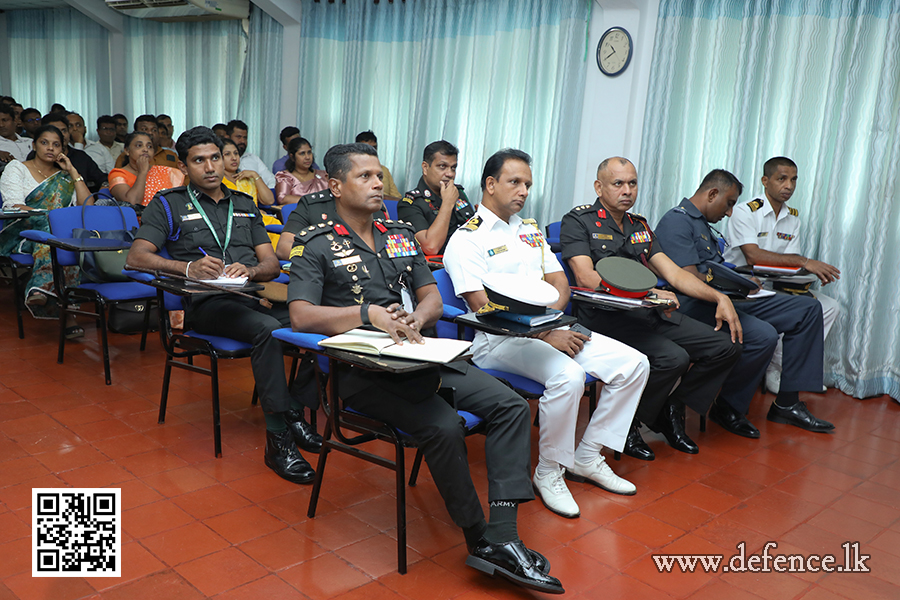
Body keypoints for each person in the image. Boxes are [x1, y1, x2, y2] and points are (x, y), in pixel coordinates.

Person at [287, 142, 563, 594]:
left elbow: (430, 292)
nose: (378, 184)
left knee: (511, 406)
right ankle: (478, 537)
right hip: (362, 371)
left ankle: (504, 536)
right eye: (365, 177)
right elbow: (300, 314)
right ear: (335, 185)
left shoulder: (397, 233)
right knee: (444, 426)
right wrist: (367, 315)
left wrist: (421, 314)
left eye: (380, 176)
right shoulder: (317, 242)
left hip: (418, 352)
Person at [444, 149, 648, 518]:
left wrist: (548, 325)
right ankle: (549, 471)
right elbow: (482, 307)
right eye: (514, 182)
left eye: (527, 185)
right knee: (568, 375)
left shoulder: (528, 230)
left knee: (634, 364)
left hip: (548, 330)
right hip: (497, 341)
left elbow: (559, 284)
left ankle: (587, 456)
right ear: (490, 185)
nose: (523, 191)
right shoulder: (466, 240)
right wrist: (540, 335)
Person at [126, 126, 322, 485]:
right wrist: (187, 268)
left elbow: (271, 264)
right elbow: (136, 258)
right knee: (268, 330)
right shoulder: (168, 205)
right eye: (199, 160)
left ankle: (295, 409)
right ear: (185, 166)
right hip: (208, 303)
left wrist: (249, 268)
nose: (210, 167)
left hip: (253, 295)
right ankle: (278, 439)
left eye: (215, 157)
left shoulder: (245, 206)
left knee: (315, 321)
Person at [560, 157, 742, 459]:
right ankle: (630, 424)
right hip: (606, 320)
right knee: (674, 358)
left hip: (648, 314)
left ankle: (668, 407)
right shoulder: (579, 221)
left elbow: (675, 274)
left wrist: (719, 298)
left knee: (725, 345)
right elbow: (587, 278)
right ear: (599, 186)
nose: (627, 190)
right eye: (618, 183)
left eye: (632, 183)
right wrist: (650, 293)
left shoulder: (639, 226)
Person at [656, 169, 833, 434]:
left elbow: (716, 268)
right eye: (728, 204)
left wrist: (743, 281)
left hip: (726, 297)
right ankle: (728, 406)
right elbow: (689, 278)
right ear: (712, 193)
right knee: (763, 335)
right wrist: (734, 285)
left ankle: (787, 404)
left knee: (807, 309)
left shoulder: (704, 224)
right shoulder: (676, 221)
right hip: (694, 304)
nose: (729, 213)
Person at [724, 156, 841, 394]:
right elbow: (753, 256)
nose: (788, 185)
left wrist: (807, 275)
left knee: (829, 306)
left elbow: (789, 264)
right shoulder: (744, 212)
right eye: (782, 179)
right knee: (800, 309)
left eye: (793, 180)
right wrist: (805, 262)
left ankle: (779, 369)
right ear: (765, 181)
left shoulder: (793, 217)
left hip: (773, 284)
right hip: (742, 284)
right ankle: (777, 371)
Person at [0, 125, 92, 333]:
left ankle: (42, 288)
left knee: (62, 241)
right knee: (57, 233)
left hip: (53, 237)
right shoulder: (17, 168)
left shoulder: (65, 178)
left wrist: (73, 172)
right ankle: (68, 316)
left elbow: (88, 207)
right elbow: (12, 205)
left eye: (56, 144)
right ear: (33, 145)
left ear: (63, 150)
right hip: (21, 233)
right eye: (44, 142)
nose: (50, 148)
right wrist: (48, 215)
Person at [398, 140, 475, 256]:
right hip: (436, 269)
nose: (449, 174)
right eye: (442, 166)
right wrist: (447, 204)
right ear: (425, 168)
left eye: (453, 168)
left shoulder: (458, 193)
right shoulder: (410, 204)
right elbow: (430, 247)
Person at [221, 137, 279, 246]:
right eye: (227, 154)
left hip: (259, 220)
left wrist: (255, 176)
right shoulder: (218, 182)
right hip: (237, 224)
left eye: (236, 153)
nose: (234, 158)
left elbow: (269, 200)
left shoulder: (247, 178)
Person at [30, 112, 107, 193]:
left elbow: (101, 178)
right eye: (56, 131)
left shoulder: (80, 156)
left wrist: (104, 186)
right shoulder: (36, 157)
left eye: (64, 130)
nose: (62, 135)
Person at [107, 131, 184, 208]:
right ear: (127, 151)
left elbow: (182, 201)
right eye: (139, 145)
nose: (145, 149)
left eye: (149, 146)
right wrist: (143, 172)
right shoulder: (118, 174)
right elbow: (132, 203)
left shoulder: (167, 172)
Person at [274, 136, 327, 204]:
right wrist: (312, 200)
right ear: (292, 157)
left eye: (309, 152)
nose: (307, 157)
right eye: (302, 153)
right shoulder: (285, 177)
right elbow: (282, 198)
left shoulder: (323, 175)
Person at [114, 115, 179, 169]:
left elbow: (183, 180)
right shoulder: (126, 156)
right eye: (145, 129)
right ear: (135, 133)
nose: (150, 133)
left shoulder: (171, 155)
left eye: (154, 130)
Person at [225, 120, 276, 188]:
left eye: (245, 137)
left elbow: (271, 180)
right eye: (238, 137)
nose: (242, 141)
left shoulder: (253, 158)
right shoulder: (220, 160)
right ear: (228, 137)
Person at [354, 130, 400, 198]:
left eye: (374, 148)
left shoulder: (384, 170)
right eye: (367, 148)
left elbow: (397, 198)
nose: (371, 151)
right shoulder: (351, 170)